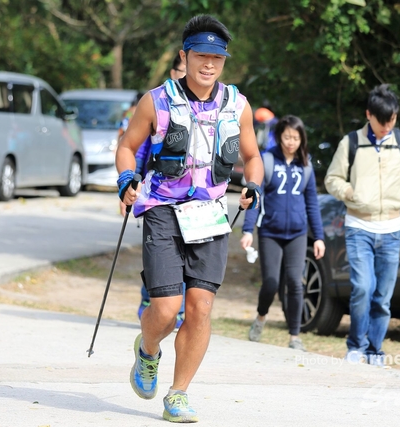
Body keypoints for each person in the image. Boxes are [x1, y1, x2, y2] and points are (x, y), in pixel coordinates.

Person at [116, 14, 264, 423]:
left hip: (210, 215)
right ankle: (148, 351)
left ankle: (178, 394)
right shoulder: (156, 101)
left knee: (200, 308)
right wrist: (126, 179)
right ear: (185, 56)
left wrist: (253, 185)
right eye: (201, 56)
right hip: (163, 209)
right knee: (166, 310)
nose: (209, 64)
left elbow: (252, 156)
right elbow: (127, 147)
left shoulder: (237, 105)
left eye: (217, 58)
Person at [324, 84, 400, 367]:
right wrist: (351, 193)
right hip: (359, 227)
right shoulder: (351, 142)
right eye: (381, 121)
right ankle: (356, 346)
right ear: (368, 115)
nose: (387, 127)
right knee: (362, 288)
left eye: (392, 120)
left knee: (382, 296)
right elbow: (332, 179)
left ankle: (375, 350)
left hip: (392, 229)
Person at [241, 115, 325, 351]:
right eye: (287, 137)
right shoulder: (267, 160)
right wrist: (248, 230)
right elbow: (255, 196)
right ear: (279, 136)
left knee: (296, 283)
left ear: (301, 139)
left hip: (297, 233)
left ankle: (294, 336)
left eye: (296, 138)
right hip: (270, 231)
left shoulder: (305, 165)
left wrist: (318, 237)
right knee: (271, 283)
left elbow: (312, 204)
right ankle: (261, 317)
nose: (291, 142)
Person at [133, 54, 188, 325]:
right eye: (183, 70)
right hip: (157, 197)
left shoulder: (206, 108)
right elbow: (138, 149)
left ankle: (179, 312)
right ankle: (149, 303)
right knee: (159, 258)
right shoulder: (159, 103)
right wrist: (130, 183)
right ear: (173, 71)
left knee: (186, 259)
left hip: (192, 203)